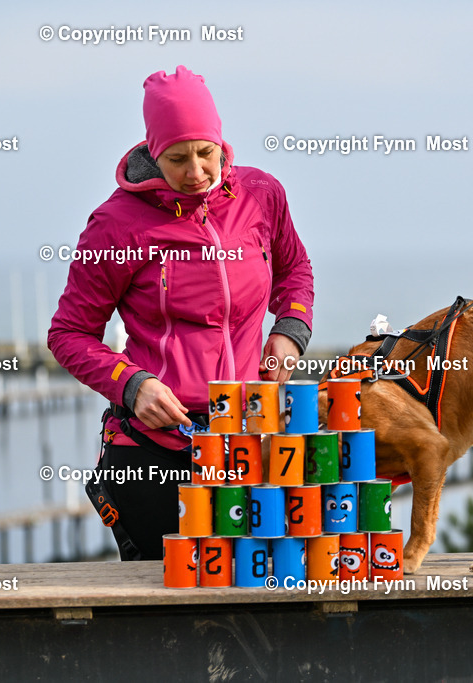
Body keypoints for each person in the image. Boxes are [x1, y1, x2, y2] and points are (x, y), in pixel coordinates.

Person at [48, 65, 314, 560]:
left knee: (265, 599)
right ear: (152, 152)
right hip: (155, 454)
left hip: (248, 439)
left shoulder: (261, 196)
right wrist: (131, 383)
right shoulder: (115, 226)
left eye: (206, 153)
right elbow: (69, 333)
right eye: (176, 158)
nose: (195, 172)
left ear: (221, 144)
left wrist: (290, 330)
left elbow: (295, 269)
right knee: (167, 620)